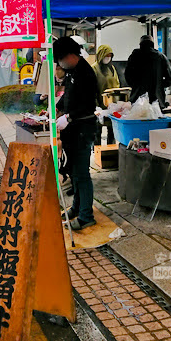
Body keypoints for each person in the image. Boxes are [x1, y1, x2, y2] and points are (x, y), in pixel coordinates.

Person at [54, 36, 99, 231]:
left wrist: (69, 117)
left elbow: (87, 105)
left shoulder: (86, 74)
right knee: (74, 172)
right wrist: (55, 109)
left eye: (61, 59)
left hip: (83, 128)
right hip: (72, 130)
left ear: (71, 55)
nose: (60, 64)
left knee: (81, 173)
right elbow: (68, 97)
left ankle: (86, 215)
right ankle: (77, 207)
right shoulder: (72, 72)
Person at [125, 35, 171, 108]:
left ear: (140, 44)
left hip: (137, 98)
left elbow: (127, 75)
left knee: (137, 117)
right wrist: (160, 85)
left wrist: (135, 85)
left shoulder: (134, 57)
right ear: (152, 44)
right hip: (156, 98)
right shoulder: (160, 57)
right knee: (155, 117)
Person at [93, 44, 119, 144]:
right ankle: (98, 152)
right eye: (106, 55)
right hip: (99, 105)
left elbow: (116, 83)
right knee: (98, 131)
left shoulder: (111, 68)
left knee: (112, 130)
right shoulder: (94, 69)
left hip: (112, 105)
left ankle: (110, 151)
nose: (108, 58)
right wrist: (96, 106)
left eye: (110, 56)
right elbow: (92, 88)